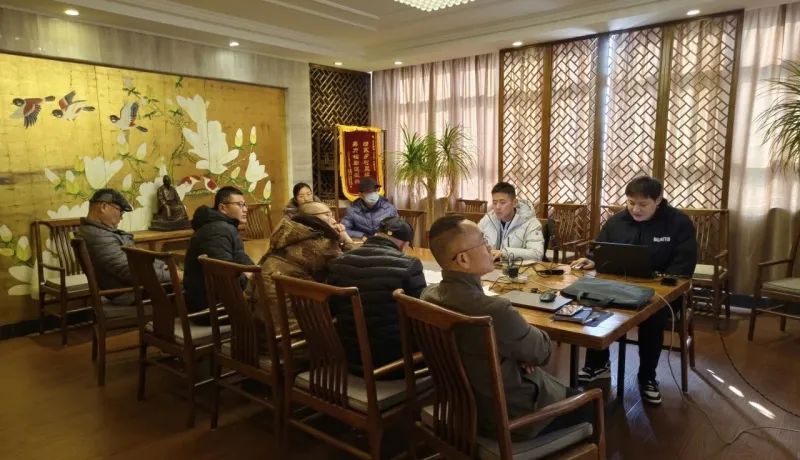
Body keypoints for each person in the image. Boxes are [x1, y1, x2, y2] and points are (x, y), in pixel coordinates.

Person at [423, 214, 592, 439]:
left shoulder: (427, 297)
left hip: (460, 408)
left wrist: (516, 351)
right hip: (508, 419)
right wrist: (521, 350)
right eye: (483, 241)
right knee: (591, 405)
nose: (490, 247)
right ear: (463, 259)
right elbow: (542, 352)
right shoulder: (495, 311)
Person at [571, 176, 697, 405]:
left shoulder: (678, 223)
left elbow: (684, 266)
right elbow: (601, 249)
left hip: (661, 292)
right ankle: (597, 364)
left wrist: (664, 281)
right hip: (619, 286)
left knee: (652, 315)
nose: (635, 209)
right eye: (630, 203)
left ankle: (647, 376)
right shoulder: (617, 221)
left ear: (658, 200)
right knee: (591, 303)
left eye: (642, 204)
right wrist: (593, 260)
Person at [327, 216, 426, 377]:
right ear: (404, 245)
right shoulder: (409, 265)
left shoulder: (339, 262)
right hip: (393, 364)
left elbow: (331, 309)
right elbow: (421, 316)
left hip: (347, 357)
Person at [250, 201, 354, 336]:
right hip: (293, 332)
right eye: (327, 215)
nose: (334, 220)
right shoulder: (322, 244)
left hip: (259, 325)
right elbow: (352, 265)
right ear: (312, 218)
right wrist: (345, 237)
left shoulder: (285, 235)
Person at [78, 188, 173, 307]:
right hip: (131, 293)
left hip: (133, 288)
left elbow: (137, 262)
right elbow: (132, 271)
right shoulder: (99, 237)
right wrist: (172, 275)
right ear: (103, 207)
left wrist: (165, 268)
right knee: (190, 285)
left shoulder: (94, 231)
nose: (121, 218)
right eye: (120, 211)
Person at [183, 186, 254, 317]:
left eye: (245, 205)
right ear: (223, 208)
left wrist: (255, 275)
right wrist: (253, 284)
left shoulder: (223, 226)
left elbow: (240, 258)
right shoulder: (218, 231)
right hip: (210, 309)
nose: (245, 209)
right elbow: (225, 273)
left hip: (215, 301)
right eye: (240, 205)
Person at [478, 181, 544, 262]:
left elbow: (537, 254)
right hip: (489, 267)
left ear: (514, 203)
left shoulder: (531, 223)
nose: (497, 207)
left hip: (517, 268)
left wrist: (504, 253)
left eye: (502, 202)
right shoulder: (488, 219)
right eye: (494, 203)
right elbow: (473, 243)